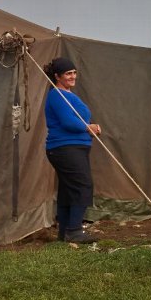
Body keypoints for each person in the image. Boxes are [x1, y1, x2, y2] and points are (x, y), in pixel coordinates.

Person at [43, 57, 100, 244]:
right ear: (57, 76)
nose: (73, 76)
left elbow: (77, 118)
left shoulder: (68, 95)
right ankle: (74, 230)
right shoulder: (57, 95)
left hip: (74, 147)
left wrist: (90, 126)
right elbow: (68, 121)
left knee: (68, 189)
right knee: (82, 185)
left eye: (74, 72)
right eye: (68, 73)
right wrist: (87, 128)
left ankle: (65, 232)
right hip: (65, 147)